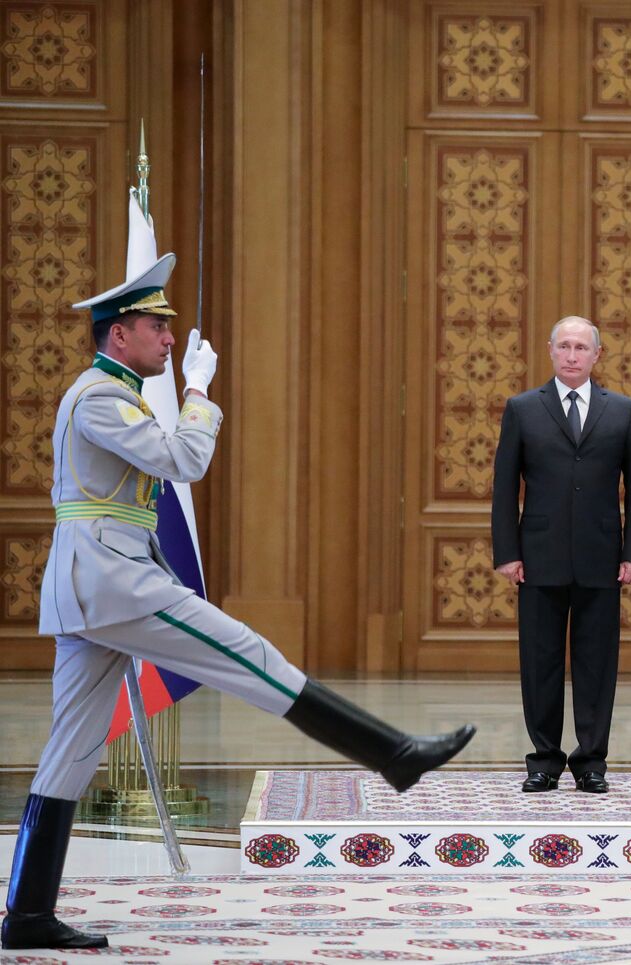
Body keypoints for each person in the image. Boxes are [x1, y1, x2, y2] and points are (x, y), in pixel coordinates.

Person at [3, 248, 476, 952]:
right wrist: (198, 394)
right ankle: (394, 753)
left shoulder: (108, 392)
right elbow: (183, 461)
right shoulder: (101, 394)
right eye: (155, 327)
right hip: (114, 579)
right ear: (118, 334)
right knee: (250, 656)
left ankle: (29, 913)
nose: (170, 339)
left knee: (71, 746)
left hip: (97, 580)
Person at [492, 316, 631, 795]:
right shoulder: (522, 408)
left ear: (597, 355)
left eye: (582, 347)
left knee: (596, 663)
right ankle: (543, 759)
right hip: (538, 556)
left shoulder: (623, 410)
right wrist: (507, 552)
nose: (572, 355)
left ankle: (590, 761)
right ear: (550, 350)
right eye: (564, 346)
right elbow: (504, 487)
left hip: (602, 556)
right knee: (539, 662)